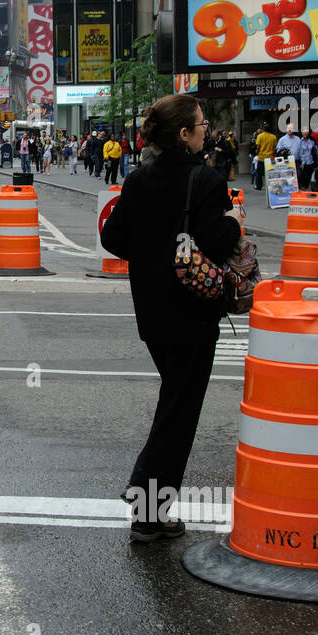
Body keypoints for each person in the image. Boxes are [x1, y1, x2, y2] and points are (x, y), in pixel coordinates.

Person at [99, 94, 244, 542]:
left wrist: (154, 256)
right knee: (180, 412)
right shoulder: (208, 180)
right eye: (201, 125)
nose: (207, 131)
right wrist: (235, 220)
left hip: (153, 312)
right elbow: (220, 244)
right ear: (183, 134)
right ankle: (147, 510)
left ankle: (148, 505)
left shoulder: (139, 179)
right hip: (194, 313)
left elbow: (112, 238)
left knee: (175, 402)